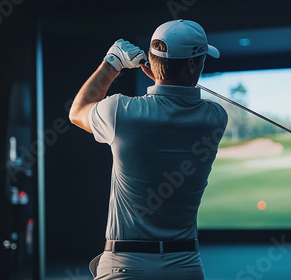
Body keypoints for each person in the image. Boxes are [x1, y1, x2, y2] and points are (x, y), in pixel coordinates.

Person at [69, 19, 228, 280]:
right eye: (201, 62)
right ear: (191, 65)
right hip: (184, 264)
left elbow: (77, 112)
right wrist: (167, 78)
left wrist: (112, 63)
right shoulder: (214, 118)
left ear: (153, 62)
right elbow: (178, 96)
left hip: (124, 265)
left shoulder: (121, 112)